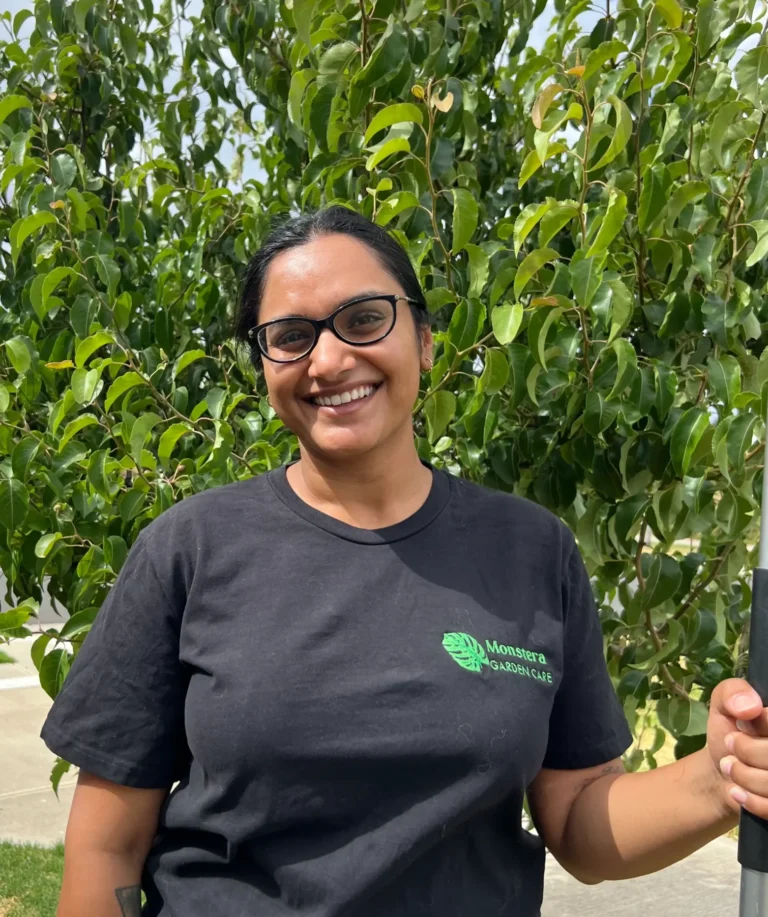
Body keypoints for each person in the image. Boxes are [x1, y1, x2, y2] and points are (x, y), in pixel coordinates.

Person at [41, 206, 768, 917]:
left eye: (364, 319)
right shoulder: (189, 550)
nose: (329, 359)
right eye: (291, 337)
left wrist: (720, 775)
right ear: (264, 367)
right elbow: (107, 849)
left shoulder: (531, 550)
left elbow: (579, 818)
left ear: (422, 338)